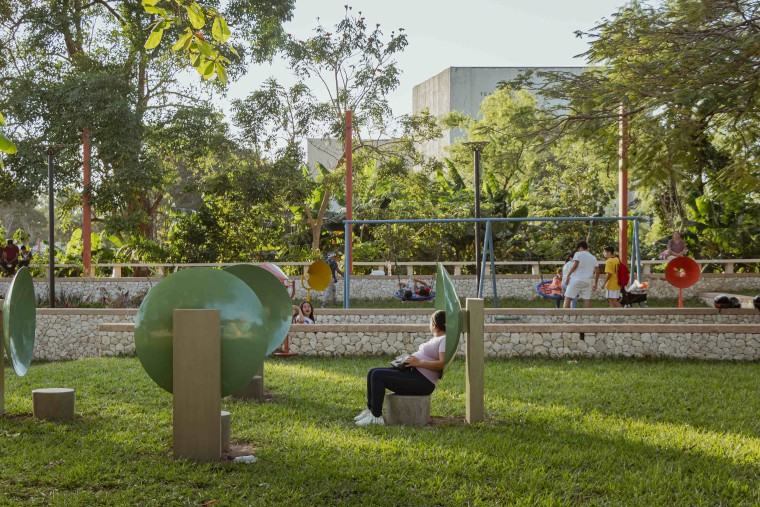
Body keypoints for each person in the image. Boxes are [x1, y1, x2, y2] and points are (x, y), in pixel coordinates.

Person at [354, 310, 447, 426]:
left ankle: (376, 417)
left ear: (434, 324)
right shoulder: (436, 338)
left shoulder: (444, 339)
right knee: (372, 372)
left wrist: (419, 362)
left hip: (423, 381)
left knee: (378, 376)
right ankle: (371, 410)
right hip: (413, 372)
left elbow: (442, 364)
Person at [563, 240, 600, 309]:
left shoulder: (578, 254)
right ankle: (589, 317)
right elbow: (597, 272)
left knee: (568, 298)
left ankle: (565, 316)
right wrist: (595, 283)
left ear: (580, 247)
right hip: (587, 281)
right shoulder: (593, 257)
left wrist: (568, 276)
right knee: (586, 300)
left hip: (576, 279)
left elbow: (575, 265)